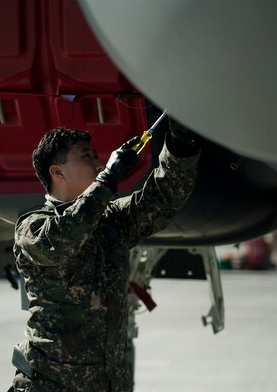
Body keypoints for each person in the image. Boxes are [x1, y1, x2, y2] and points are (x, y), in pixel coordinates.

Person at [10, 119, 200, 392]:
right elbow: (62, 239)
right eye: (86, 157)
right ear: (57, 172)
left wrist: (180, 145)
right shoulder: (33, 227)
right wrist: (107, 180)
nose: (99, 164)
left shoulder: (109, 219)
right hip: (51, 385)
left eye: (96, 157)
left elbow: (162, 198)